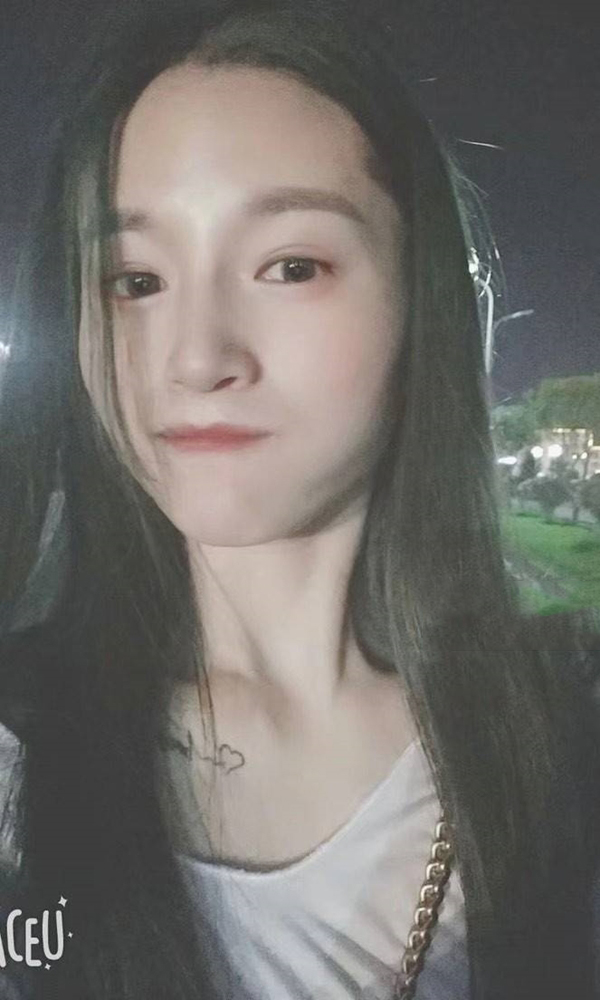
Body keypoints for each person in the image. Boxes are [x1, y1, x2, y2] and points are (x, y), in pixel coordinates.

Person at [0, 1, 599, 998]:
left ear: (424, 300)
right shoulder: (20, 752)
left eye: (290, 266)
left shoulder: (565, 748)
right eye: (134, 280)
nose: (197, 357)